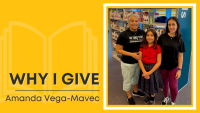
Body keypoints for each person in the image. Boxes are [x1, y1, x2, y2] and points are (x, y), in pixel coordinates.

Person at [116, 14, 145, 105]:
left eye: (136, 21)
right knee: (127, 80)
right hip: (127, 63)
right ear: (128, 22)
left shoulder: (142, 33)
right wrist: (131, 54)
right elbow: (118, 49)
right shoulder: (123, 34)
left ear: (138, 22)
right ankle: (129, 96)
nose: (134, 23)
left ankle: (135, 92)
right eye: (132, 21)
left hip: (139, 62)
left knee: (136, 78)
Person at [157, 17, 186, 105]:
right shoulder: (162, 37)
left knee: (173, 87)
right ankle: (166, 97)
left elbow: (180, 55)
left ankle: (173, 100)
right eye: (169, 24)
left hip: (173, 66)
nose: (171, 27)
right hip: (163, 66)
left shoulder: (180, 39)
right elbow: (158, 52)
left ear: (177, 26)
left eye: (173, 24)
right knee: (164, 83)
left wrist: (180, 69)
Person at [137, 29, 164, 105]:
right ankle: (148, 95)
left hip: (153, 69)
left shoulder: (158, 47)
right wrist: (144, 72)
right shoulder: (142, 46)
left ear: (155, 37)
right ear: (145, 36)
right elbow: (139, 59)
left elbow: (158, 62)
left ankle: (152, 98)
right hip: (144, 68)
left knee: (152, 85)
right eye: (148, 35)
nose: (149, 37)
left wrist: (149, 72)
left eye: (152, 35)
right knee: (146, 84)